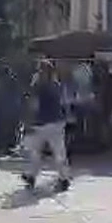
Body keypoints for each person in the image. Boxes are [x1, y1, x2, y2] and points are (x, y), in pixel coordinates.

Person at [23, 59, 71, 192]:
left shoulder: (38, 86)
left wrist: (28, 121)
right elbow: (64, 103)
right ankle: (64, 178)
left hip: (42, 123)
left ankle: (32, 176)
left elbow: (34, 105)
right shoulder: (57, 85)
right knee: (59, 152)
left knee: (36, 152)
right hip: (57, 122)